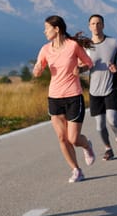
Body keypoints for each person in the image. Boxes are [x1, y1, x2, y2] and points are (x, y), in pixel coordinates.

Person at [33, 15, 95, 183]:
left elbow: (88, 62)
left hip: (73, 96)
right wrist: (38, 69)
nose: (44, 31)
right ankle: (76, 170)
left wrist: (80, 69)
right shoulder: (45, 49)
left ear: (57, 29)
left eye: (47, 28)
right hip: (54, 97)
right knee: (62, 137)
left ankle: (87, 145)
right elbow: (37, 72)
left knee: (73, 139)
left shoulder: (72, 46)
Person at [86, 14, 117, 160]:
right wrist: (79, 69)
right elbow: (81, 66)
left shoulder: (114, 42)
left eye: (98, 23)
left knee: (112, 119)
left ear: (103, 25)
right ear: (89, 26)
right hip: (94, 90)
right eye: (93, 24)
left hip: (111, 87)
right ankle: (108, 149)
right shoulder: (85, 45)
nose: (96, 26)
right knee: (99, 125)